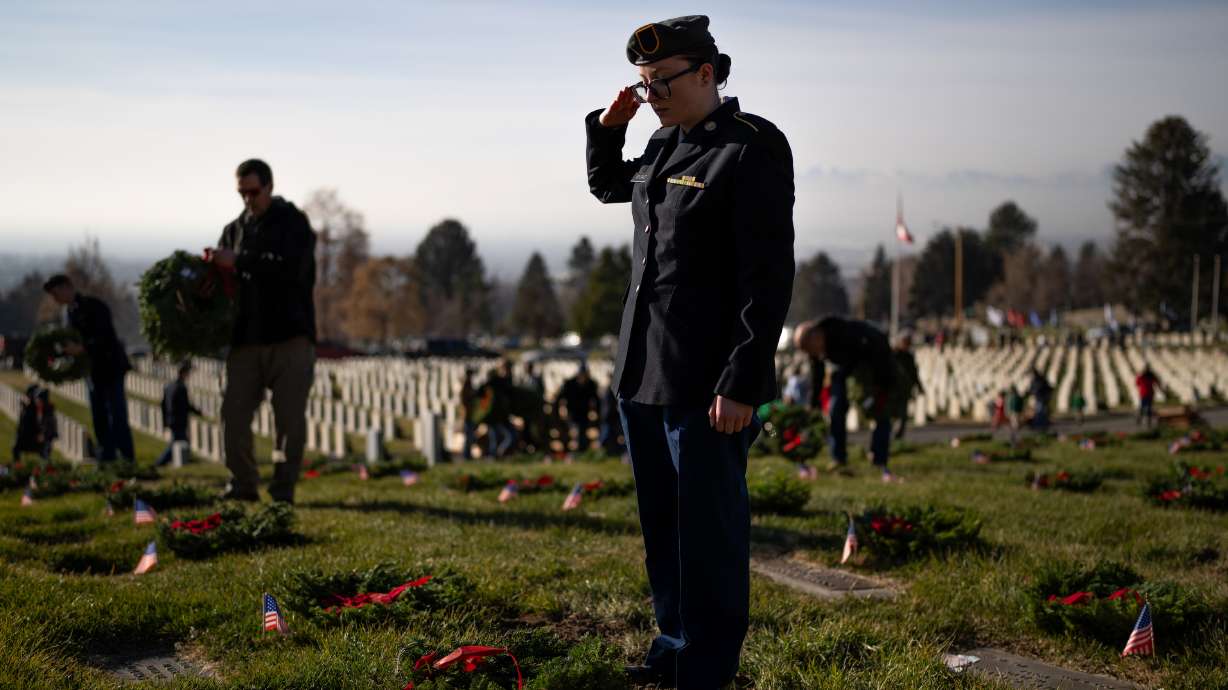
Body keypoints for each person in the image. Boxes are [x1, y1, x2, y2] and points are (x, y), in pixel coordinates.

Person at [586, 15, 794, 689]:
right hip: (645, 367)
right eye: (644, 86)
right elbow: (611, 185)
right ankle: (674, 647)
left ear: (707, 73)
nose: (653, 95)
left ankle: (706, 670)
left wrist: (742, 378)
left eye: (662, 82)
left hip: (707, 380)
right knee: (664, 531)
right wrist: (611, 126)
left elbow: (767, 276)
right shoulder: (661, 142)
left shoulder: (750, 147)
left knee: (709, 535)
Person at [210, 159, 316, 503]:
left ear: (269, 187)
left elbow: (291, 270)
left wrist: (238, 261)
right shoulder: (233, 229)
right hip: (246, 339)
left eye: (253, 192)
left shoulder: (293, 224)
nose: (247, 200)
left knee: (288, 420)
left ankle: (283, 489)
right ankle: (242, 484)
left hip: (289, 336)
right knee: (234, 414)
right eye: (242, 193)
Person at [793, 316, 899, 482]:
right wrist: (813, 404)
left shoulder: (846, 332)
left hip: (873, 367)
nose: (809, 354)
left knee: (879, 411)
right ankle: (838, 457)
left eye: (808, 349)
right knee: (836, 409)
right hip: (845, 371)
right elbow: (817, 374)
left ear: (816, 337)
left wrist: (881, 385)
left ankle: (879, 458)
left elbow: (879, 352)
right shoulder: (815, 347)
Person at [43, 274, 135, 463]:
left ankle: (127, 459)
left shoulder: (94, 306)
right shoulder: (66, 314)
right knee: (99, 417)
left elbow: (105, 337)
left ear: (67, 287)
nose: (55, 299)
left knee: (117, 415)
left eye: (56, 293)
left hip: (110, 367)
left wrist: (83, 348)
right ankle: (107, 457)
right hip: (91, 372)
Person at [156, 361, 202, 467]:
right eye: (188, 373)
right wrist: (198, 412)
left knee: (181, 442)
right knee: (177, 444)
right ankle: (159, 463)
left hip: (171, 419)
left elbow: (163, 405)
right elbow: (185, 405)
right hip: (178, 420)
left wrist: (165, 421)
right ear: (183, 373)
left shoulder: (169, 386)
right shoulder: (180, 388)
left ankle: (182, 460)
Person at [558, 363, 600, 452]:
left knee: (582, 431)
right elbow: (561, 397)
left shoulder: (591, 384)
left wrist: (595, 412)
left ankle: (582, 451)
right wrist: (562, 409)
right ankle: (571, 451)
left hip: (584, 412)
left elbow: (596, 399)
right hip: (571, 411)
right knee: (572, 432)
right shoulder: (569, 383)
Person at [891, 332, 923, 440]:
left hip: (904, 389)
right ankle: (890, 435)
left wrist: (919, 387)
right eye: (905, 342)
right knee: (892, 414)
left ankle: (898, 436)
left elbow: (914, 373)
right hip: (894, 389)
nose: (906, 345)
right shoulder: (894, 355)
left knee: (903, 415)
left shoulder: (909, 357)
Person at [482, 359, 516, 458]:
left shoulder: (503, 382)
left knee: (499, 437)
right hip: (495, 415)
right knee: (496, 437)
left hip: (500, 415)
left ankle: (496, 454)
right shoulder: (498, 382)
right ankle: (496, 454)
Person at [11, 384, 44, 461]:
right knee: (15, 449)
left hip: (31, 436)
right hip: (24, 435)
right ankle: (18, 466)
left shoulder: (33, 408)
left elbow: (36, 422)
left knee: (42, 451)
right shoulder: (27, 407)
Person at [37, 389, 57, 459]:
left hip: (47, 433)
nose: (38, 401)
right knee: (44, 451)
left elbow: (46, 423)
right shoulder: (45, 408)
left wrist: (42, 433)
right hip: (47, 433)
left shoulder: (47, 410)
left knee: (45, 451)